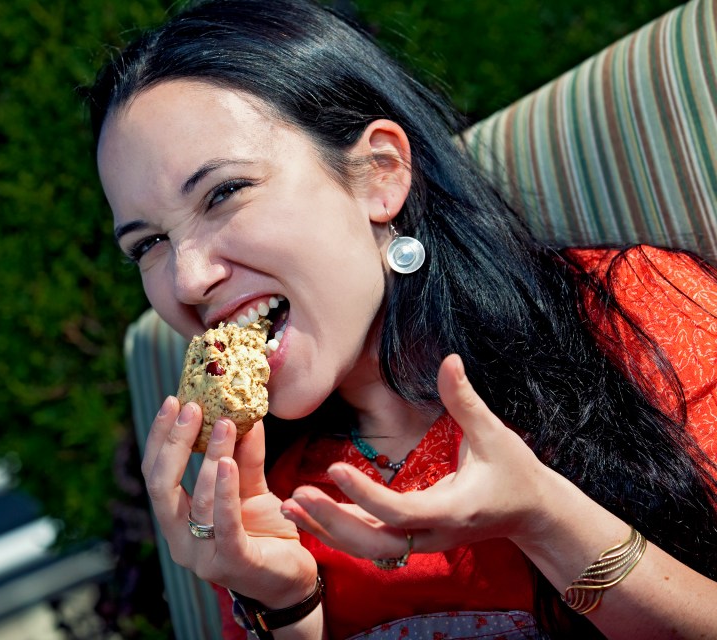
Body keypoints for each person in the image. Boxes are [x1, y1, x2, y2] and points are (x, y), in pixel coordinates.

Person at [88, 0, 717, 637]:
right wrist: (287, 608)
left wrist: (546, 518)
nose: (187, 278)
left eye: (223, 193)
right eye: (147, 244)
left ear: (379, 175)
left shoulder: (629, 313)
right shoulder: (263, 505)